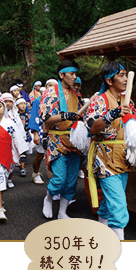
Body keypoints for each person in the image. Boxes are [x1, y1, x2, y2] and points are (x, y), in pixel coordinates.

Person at [83, 61, 136, 240]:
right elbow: (91, 127)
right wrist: (113, 114)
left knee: (112, 200)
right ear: (109, 80)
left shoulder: (127, 101)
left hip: (123, 157)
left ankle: (101, 225)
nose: (125, 78)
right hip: (105, 158)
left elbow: (135, 127)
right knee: (119, 205)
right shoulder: (99, 100)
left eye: (125, 75)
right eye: (121, 75)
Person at [39, 60, 84, 219]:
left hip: (74, 139)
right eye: (71, 73)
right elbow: (45, 117)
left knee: (72, 181)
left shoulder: (76, 94)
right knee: (59, 179)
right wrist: (64, 116)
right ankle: (49, 198)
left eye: (76, 74)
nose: (74, 77)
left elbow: (81, 114)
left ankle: (62, 212)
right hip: (57, 140)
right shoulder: (51, 92)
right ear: (61, 75)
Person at [1, 93, 29, 187]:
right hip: (2, 141)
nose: (8, 103)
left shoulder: (15, 114)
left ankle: (9, 179)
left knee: (13, 160)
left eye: (10, 101)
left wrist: (23, 139)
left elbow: (20, 128)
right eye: (6, 101)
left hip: (13, 141)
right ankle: (2, 179)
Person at [16, 97, 32, 177]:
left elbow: (31, 124)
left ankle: (23, 167)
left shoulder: (28, 114)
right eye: (21, 104)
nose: (23, 105)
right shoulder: (15, 115)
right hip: (17, 135)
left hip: (26, 135)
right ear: (16, 106)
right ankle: (21, 166)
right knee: (19, 152)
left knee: (24, 152)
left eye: (24, 103)